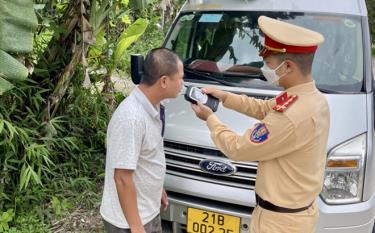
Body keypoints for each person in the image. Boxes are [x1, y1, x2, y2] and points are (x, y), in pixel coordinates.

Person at [191, 15, 330, 233]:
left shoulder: (291, 116)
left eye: (268, 64)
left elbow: (238, 148)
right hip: (293, 215)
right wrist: (225, 96)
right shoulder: (312, 98)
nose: (264, 69)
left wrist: (210, 119)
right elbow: (264, 108)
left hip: (279, 223)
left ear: (288, 67)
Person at [100, 48, 184, 233]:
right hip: (129, 222)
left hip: (147, 210)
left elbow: (149, 156)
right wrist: (136, 227)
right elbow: (121, 178)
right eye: (180, 78)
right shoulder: (131, 118)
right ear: (164, 81)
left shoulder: (153, 107)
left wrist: (157, 189)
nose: (182, 84)